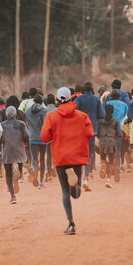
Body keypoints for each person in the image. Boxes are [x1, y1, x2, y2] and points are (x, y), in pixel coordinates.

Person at [41, 87, 93, 235]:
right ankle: (75, 187)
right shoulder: (82, 116)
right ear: (71, 98)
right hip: (77, 155)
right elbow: (89, 133)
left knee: (64, 190)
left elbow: (44, 137)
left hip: (61, 156)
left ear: (57, 100)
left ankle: (71, 224)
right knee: (75, 192)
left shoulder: (51, 116)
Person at [74, 82, 105, 191]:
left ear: (83, 89)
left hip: (79, 131)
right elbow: (101, 114)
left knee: (78, 154)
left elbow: (73, 111)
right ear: (92, 89)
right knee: (89, 154)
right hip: (92, 130)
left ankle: (77, 180)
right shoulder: (96, 99)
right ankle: (86, 178)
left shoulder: (79, 99)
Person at [0, 106, 30, 204]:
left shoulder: (2, 125)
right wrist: (24, 141)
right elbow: (27, 135)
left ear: (6, 114)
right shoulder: (21, 124)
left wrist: (3, 141)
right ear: (15, 114)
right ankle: (18, 175)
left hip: (8, 151)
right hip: (19, 150)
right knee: (19, 166)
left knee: (8, 174)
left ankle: (13, 196)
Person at [0, 95, 28, 182]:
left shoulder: (2, 112)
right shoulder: (21, 114)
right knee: (20, 157)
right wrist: (25, 141)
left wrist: (1, 139)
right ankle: (20, 175)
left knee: (6, 157)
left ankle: (6, 175)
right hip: (19, 141)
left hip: (6, 141)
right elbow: (26, 129)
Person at [97, 104, 124, 187]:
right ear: (112, 112)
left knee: (103, 159)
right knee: (112, 162)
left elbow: (97, 132)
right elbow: (119, 134)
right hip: (111, 142)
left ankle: (104, 165)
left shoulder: (100, 121)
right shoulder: (115, 121)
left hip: (102, 142)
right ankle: (108, 180)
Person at [26, 94, 48, 188]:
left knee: (34, 159)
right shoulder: (44, 110)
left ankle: (34, 170)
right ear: (41, 101)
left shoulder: (27, 111)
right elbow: (45, 124)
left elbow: (27, 124)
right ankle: (41, 181)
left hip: (32, 138)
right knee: (42, 159)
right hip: (42, 138)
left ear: (34, 101)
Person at [107, 89, 129, 169]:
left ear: (111, 96)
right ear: (119, 96)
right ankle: (118, 165)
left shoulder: (107, 104)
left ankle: (111, 165)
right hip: (120, 129)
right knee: (118, 148)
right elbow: (128, 117)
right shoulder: (124, 105)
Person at [44, 94, 58, 179]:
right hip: (57, 135)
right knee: (56, 153)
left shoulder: (44, 111)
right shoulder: (58, 110)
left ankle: (48, 171)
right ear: (54, 101)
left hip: (48, 135)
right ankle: (56, 169)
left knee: (48, 154)